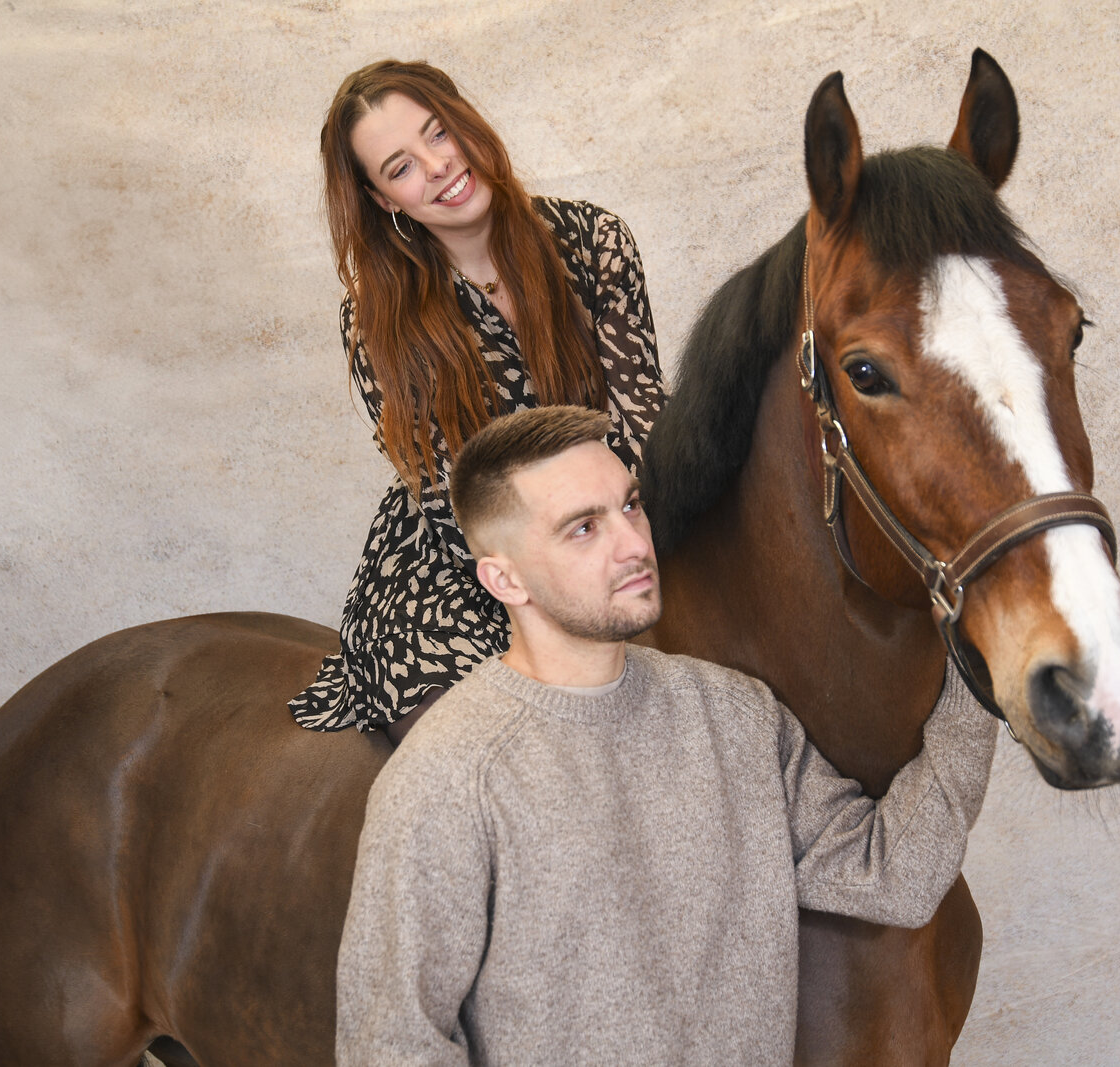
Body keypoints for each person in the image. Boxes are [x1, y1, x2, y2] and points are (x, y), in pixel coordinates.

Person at [335, 406, 999, 1066]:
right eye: (583, 528)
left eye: (630, 506)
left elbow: (894, 876)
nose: (632, 543)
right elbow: (392, 1044)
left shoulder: (735, 717)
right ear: (504, 579)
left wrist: (982, 667)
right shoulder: (450, 773)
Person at [288, 60, 665, 738]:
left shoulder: (596, 242)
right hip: (464, 566)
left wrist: (609, 547)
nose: (435, 166)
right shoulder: (378, 318)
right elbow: (450, 494)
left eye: (438, 133)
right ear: (383, 201)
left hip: (610, 526)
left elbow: (641, 425)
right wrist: (559, 591)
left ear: (466, 122)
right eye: (399, 167)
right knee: (506, 748)